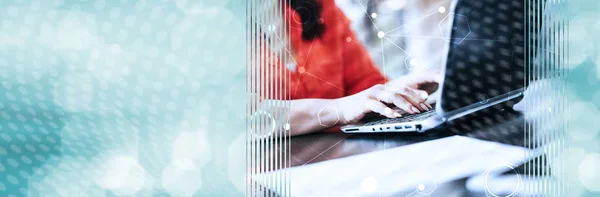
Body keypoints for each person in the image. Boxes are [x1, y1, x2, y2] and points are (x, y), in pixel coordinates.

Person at [253, 0, 440, 136]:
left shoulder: (322, 7)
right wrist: (339, 110)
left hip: (338, 163)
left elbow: (362, 85)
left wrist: (398, 90)